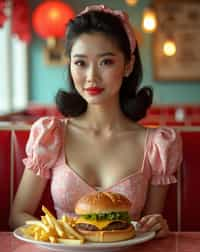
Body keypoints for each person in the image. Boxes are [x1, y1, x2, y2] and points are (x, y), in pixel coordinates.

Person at [9, 5, 182, 238]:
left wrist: (157, 227)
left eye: (106, 62)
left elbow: (149, 226)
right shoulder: (51, 135)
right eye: (80, 63)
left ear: (128, 65)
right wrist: (61, 237)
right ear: (70, 65)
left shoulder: (158, 145)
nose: (91, 76)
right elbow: (18, 215)